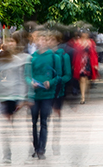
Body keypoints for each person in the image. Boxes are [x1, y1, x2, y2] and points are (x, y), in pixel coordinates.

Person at [26, 31, 61, 160]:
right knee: (34, 122)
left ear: (47, 42)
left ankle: (42, 149)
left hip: (47, 95)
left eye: (43, 39)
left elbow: (58, 76)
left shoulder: (54, 57)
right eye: (38, 39)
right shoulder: (32, 58)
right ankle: (36, 147)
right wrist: (31, 82)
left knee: (44, 122)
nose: (41, 42)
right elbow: (27, 75)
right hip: (35, 94)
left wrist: (50, 82)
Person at [0, 32, 29, 164]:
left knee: (17, 128)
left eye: (12, 41)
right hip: (4, 96)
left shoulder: (22, 59)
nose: (9, 44)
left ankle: (27, 152)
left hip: (16, 96)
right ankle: (7, 155)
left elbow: (22, 79)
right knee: (6, 128)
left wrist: (22, 98)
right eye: (8, 41)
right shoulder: (2, 58)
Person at [49, 30, 72, 155]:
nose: (49, 42)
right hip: (44, 91)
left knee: (56, 118)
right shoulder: (43, 55)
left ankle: (55, 143)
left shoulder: (64, 56)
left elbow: (68, 75)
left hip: (58, 91)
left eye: (52, 40)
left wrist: (58, 81)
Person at [72, 29, 99, 104]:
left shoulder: (91, 42)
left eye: (86, 32)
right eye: (83, 32)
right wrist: (74, 64)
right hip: (79, 63)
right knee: (82, 79)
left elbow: (94, 54)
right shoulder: (77, 42)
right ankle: (83, 97)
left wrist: (95, 64)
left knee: (86, 79)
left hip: (88, 62)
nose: (84, 34)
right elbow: (75, 54)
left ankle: (85, 92)